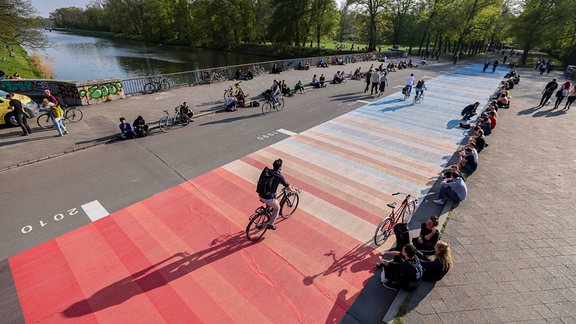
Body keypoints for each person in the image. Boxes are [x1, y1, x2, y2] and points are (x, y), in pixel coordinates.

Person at [258, 159, 294, 230]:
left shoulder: (268, 171)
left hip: (260, 194)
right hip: (268, 198)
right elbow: (287, 185)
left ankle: (268, 210)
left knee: (274, 196)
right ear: (280, 167)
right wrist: (292, 190)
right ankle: (271, 224)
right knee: (277, 208)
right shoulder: (279, 176)